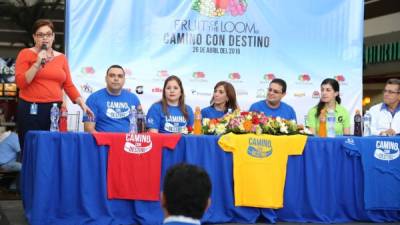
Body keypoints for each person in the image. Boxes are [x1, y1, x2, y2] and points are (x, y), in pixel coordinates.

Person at [15, 19, 93, 150]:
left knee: (51, 148)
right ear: (34, 37)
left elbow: (68, 84)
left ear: (53, 37)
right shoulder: (25, 54)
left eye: (48, 34)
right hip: (31, 108)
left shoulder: (61, 58)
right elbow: (21, 83)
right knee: (31, 148)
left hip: (54, 109)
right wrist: (37, 63)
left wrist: (82, 103)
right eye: (40, 35)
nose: (45, 38)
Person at [83, 65, 141, 133]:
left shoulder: (133, 98)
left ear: (124, 80)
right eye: (112, 75)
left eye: (120, 76)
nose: (116, 79)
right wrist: (107, 141)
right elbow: (89, 130)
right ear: (106, 79)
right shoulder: (93, 99)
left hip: (128, 142)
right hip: (102, 143)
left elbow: (140, 127)